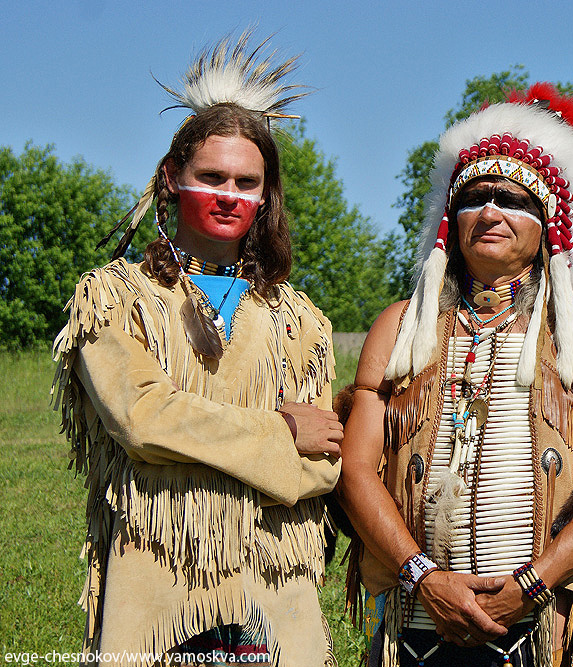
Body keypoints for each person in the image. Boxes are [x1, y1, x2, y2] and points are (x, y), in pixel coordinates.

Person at [337, 84, 573, 667]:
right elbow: (357, 470)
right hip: (418, 624)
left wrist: (534, 584)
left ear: (548, 228)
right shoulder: (402, 328)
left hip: (548, 630)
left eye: (513, 201)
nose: (489, 212)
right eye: (475, 198)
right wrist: (424, 578)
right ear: (448, 224)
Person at [52, 33, 341, 665]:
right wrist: (276, 434)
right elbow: (141, 420)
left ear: (266, 197)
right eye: (210, 176)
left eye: (247, 181)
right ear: (171, 178)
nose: (228, 194)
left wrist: (195, 453)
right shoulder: (113, 298)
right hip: (158, 589)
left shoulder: (300, 321)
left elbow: (323, 460)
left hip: (275, 594)